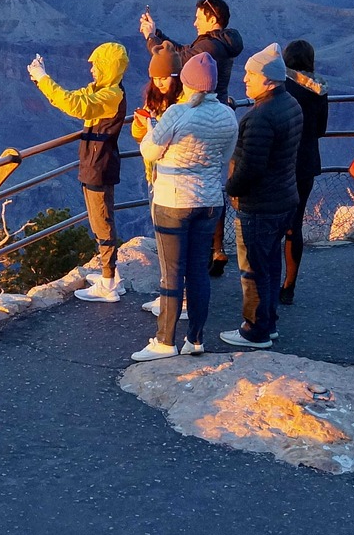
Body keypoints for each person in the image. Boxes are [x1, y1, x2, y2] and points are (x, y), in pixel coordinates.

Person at [133, 52, 238, 361]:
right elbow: (224, 156)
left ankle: (165, 341)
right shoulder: (227, 115)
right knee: (198, 273)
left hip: (174, 201)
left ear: (188, 82)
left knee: (172, 273)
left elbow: (150, 151)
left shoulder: (178, 113)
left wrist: (151, 128)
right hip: (209, 200)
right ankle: (195, 339)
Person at [142, 0, 244, 275]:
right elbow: (185, 51)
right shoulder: (221, 42)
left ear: (212, 19)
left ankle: (206, 252)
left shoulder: (210, 47)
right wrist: (158, 33)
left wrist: (152, 39)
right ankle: (216, 248)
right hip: (220, 113)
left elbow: (181, 59)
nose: (194, 22)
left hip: (202, 114)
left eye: (199, 17)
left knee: (200, 181)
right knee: (212, 181)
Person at [29, 43, 131, 303]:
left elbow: (76, 105)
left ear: (108, 67)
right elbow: (70, 97)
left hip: (99, 166)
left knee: (101, 222)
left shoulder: (110, 96)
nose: (91, 69)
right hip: (96, 163)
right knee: (100, 219)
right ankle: (111, 274)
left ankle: (108, 283)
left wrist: (43, 78)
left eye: (96, 64)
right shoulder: (104, 90)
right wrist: (42, 79)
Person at [220, 45, 302, 350]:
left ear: (268, 80)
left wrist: (231, 188)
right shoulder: (290, 103)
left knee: (253, 268)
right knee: (270, 263)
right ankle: (269, 322)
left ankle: (255, 330)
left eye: (250, 75)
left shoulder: (260, 117)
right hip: (284, 198)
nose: (245, 79)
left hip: (259, 204)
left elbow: (251, 167)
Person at [134, 47, 185, 317]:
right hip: (155, 175)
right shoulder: (153, 99)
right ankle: (169, 295)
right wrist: (141, 124)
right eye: (155, 78)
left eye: (164, 77)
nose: (159, 83)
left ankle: (179, 300)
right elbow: (140, 137)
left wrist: (153, 130)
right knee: (165, 242)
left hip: (176, 178)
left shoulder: (184, 103)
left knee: (176, 244)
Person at [280, 40, 328, 305]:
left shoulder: (281, 87)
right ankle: (289, 285)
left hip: (281, 161)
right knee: (294, 224)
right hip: (307, 162)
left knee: (273, 222)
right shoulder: (320, 89)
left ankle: (266, 281)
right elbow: (321, 129)